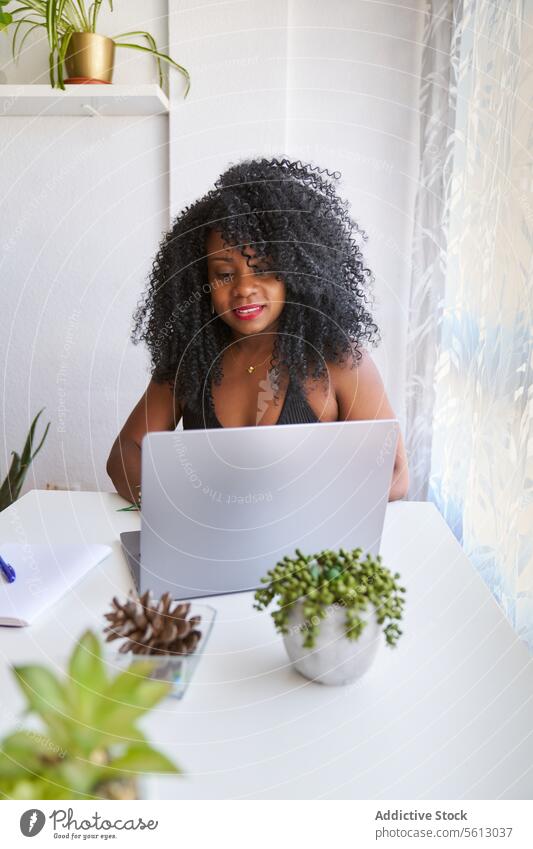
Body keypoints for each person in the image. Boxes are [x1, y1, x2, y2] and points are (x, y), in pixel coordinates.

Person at [106, 157, 409, 504]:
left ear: (295, 272)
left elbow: (395, 474)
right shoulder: (189, 361)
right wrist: (177, 507)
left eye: (262, 269)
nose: (243, 289)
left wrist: (286, 511)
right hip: (212, 546)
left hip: (305, 548)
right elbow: (124, 453)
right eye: (224, 274)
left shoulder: (338, 359)